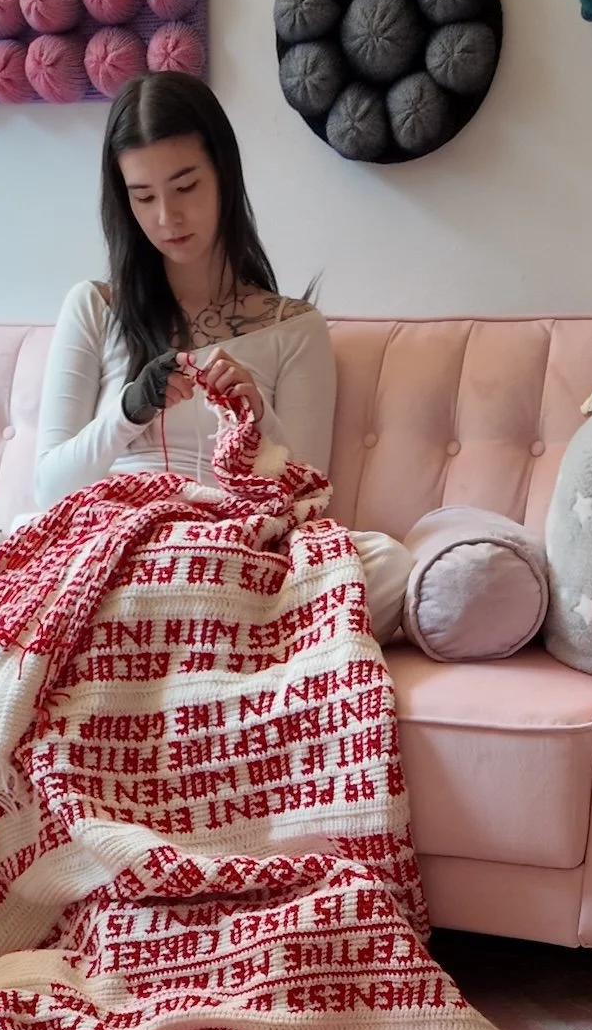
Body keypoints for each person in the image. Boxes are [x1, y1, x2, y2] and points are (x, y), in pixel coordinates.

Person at [33, 76, 408, 636]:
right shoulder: (93, 306)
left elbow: (309, 497)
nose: (167, 217)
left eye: (186, 187)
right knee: (51, 561)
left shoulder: (294, 328)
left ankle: (178, 628)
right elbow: (48, 491)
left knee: (386, 561)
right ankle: (209, 633)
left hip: (234, 544)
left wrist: (259, 418)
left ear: (224, 176)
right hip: (118, 536)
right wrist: (128, 412)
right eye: (144, 197)